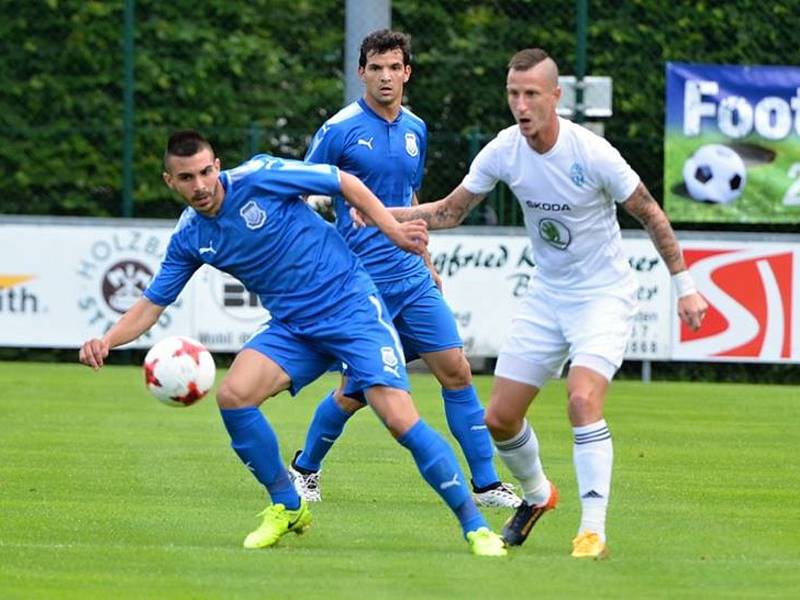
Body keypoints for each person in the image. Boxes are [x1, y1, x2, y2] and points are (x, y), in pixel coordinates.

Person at [78, 130, 507, 557]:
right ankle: (287, 504)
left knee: (398, 419)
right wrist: (107, 340)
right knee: (234, 396)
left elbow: (344, 182)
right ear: (169, 181)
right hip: (294, 327)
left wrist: (392, 230)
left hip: (350, 306)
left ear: (218, 166)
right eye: (187, 178)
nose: (201, 185)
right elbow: (154, 302)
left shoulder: (260, 176)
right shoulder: (191, 236)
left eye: (206, 172)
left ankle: (476, 527)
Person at [353, 49, 709, 559]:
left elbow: (650, 212)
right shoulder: (504, 150)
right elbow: (451, 211)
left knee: (583, 400)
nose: (521, 105)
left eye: (531, 95)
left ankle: (592, 530)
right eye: (513, 95)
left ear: (555, 97)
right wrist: (383, 212)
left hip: (602, 297)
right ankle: (539, 495)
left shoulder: (593, 154)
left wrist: (685, 286)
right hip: (546, 297)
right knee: (498, 419)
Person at [290, 29, 520, 509]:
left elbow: (411, 203)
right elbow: (296, 194)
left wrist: (426, 258)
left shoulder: (416, 128)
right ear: (361, 73)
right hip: (363, 285)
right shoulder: (338, 130)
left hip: (412, 279)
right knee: (353, 392)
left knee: (456, 370)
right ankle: (305, 468)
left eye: (395, 67)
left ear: (407, 73)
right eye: (376, 68)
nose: (386, 77)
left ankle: (486, 484)